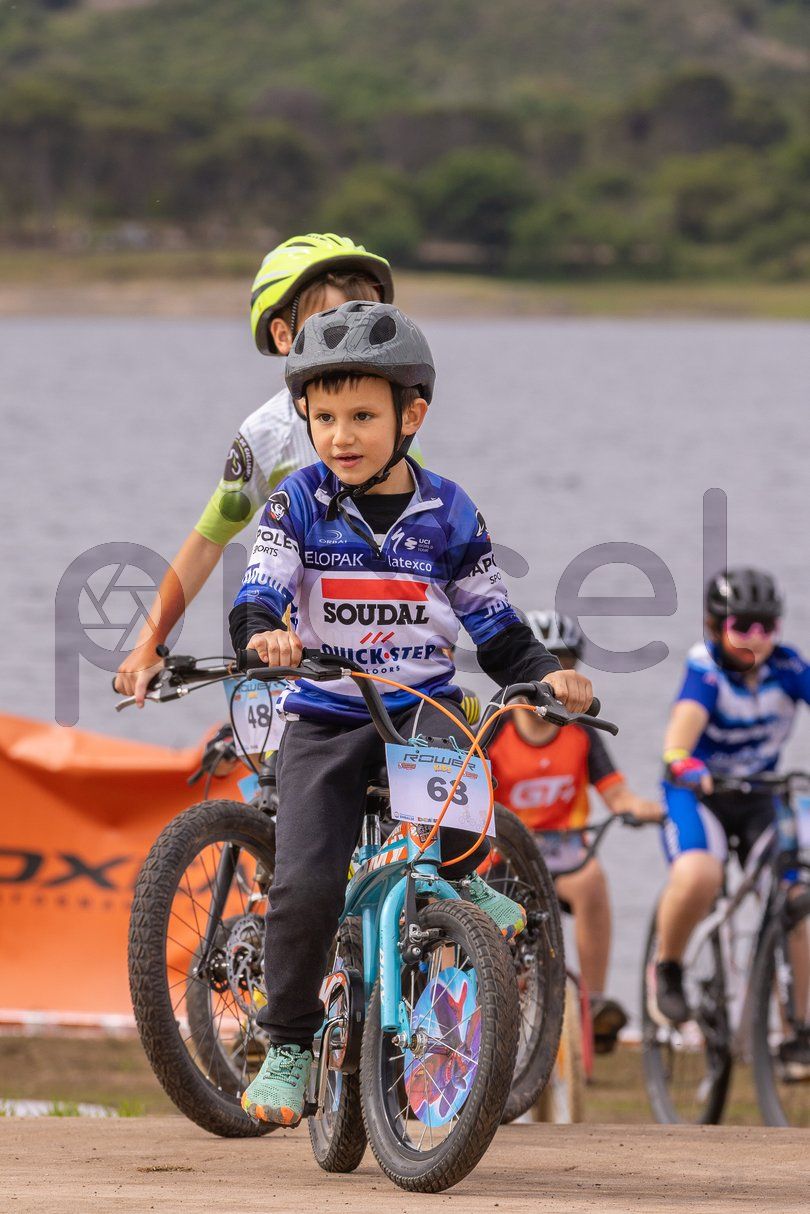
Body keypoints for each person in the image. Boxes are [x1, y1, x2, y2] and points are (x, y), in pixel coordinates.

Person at [228, 302, 597, 1126]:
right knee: (304, 885)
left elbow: (496, 628)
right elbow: (258, 592)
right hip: (326, 716)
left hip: (420, 707)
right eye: (325, 417)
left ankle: (462, 885)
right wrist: (263, 635)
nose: (341, 436)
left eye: (363, 416)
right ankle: (288, 1046)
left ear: (411, 417)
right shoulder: (296, 504)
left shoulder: (452, 512)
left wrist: (548, 677)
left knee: (461, 796)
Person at [114, 233, 395, 703]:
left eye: (368, 326)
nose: (354, 345)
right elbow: (208, 542)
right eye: (331, 326)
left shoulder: (393, 422)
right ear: (284, 336)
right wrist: (150, 643)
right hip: (295, 658)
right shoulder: (268, 435)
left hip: (389, 652)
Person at [487, 609, 660, 1052]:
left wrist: (652, 810)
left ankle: (593, 1004)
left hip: (564, 854)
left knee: (592, 881)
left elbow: (616, 793)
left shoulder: (581, 733)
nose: (558, 679)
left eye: (567, 663)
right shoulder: (497, 727)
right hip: (506, 855)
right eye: (550, 662)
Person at [654, 568, 810, 1044]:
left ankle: (798, 1030)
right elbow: (678, 741)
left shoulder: (789, 668)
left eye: (767, 627)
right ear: (715, 625)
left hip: (760, 797)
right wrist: (683, 763)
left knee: (796, 900)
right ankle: (669, 968)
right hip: (699, 795)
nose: (756, 638)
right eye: (742, 626)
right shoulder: (705, 669)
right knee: (700, 875)